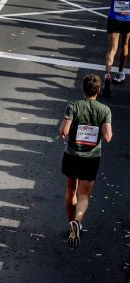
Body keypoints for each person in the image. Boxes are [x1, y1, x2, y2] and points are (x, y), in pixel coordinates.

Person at [60, 74, 113, 249]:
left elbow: (64, 132)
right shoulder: (104, 110)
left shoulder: (73, 106)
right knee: (84, 194)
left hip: (72, 155)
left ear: (83, 89)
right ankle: (78, 221)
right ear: (98, 90)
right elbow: (108, 137)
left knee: (71, 189)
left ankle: (70, 225)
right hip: (91, 158)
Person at [104, 0, 130, 96]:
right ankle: (120, 73)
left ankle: (107, 75)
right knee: (125, 44)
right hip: (128, 19)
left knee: (112, 49)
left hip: (114, 18)